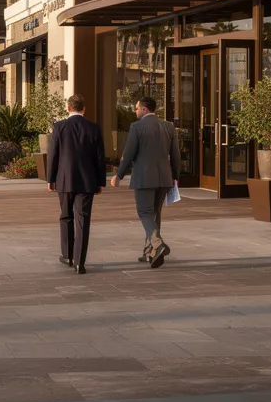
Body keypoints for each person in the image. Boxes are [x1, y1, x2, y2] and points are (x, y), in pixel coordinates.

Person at [110, 96, 181, 268]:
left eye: (136, 108)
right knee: (155, 214)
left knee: (144, 212)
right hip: (164, 178)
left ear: (144, 109)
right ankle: (150, 253)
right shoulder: (168, 126)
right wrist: (175, 177)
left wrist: (118, 175)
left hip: (144, 178)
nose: (135, 111)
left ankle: (157, 243)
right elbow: (176, 155)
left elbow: (128, 154)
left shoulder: (137, 127)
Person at [46, 94, 106, 274]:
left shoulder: (59, 127)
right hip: (87, 181)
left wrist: (50, 179)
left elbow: (53, 155)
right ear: (84, 108)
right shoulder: (93, 128)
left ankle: (68, 255)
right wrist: (100, 181)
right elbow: (100, 157)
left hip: (65, 180)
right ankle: (80, 262)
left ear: (68, 108)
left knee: (66, 216)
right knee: (83, 220)